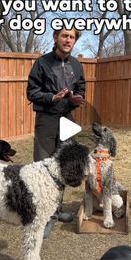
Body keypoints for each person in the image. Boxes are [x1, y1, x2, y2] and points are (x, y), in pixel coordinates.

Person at [26, 26, 85, 238]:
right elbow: (31, 92)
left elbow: (81, 89)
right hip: (47, 120)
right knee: (43, 167)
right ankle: (43, 216)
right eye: (64, 36)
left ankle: (57, 211)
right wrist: (52, 97)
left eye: (72, 37)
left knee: (65, 165)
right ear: (56, 37)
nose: (68, 40)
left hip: (67, 119)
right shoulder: (42, 63)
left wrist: (77, 98)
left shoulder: (77, 65)